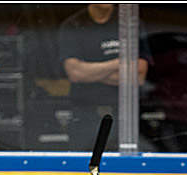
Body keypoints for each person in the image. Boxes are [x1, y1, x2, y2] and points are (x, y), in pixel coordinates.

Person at [57, 3, 150, 150]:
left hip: (125, 118)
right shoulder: (73, 25)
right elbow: (75, 73)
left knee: (124, 169)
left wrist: (91, 72)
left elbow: (139, 75)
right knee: (84, 168)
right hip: (86, 116)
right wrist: (119, 63)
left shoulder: (130, 23)